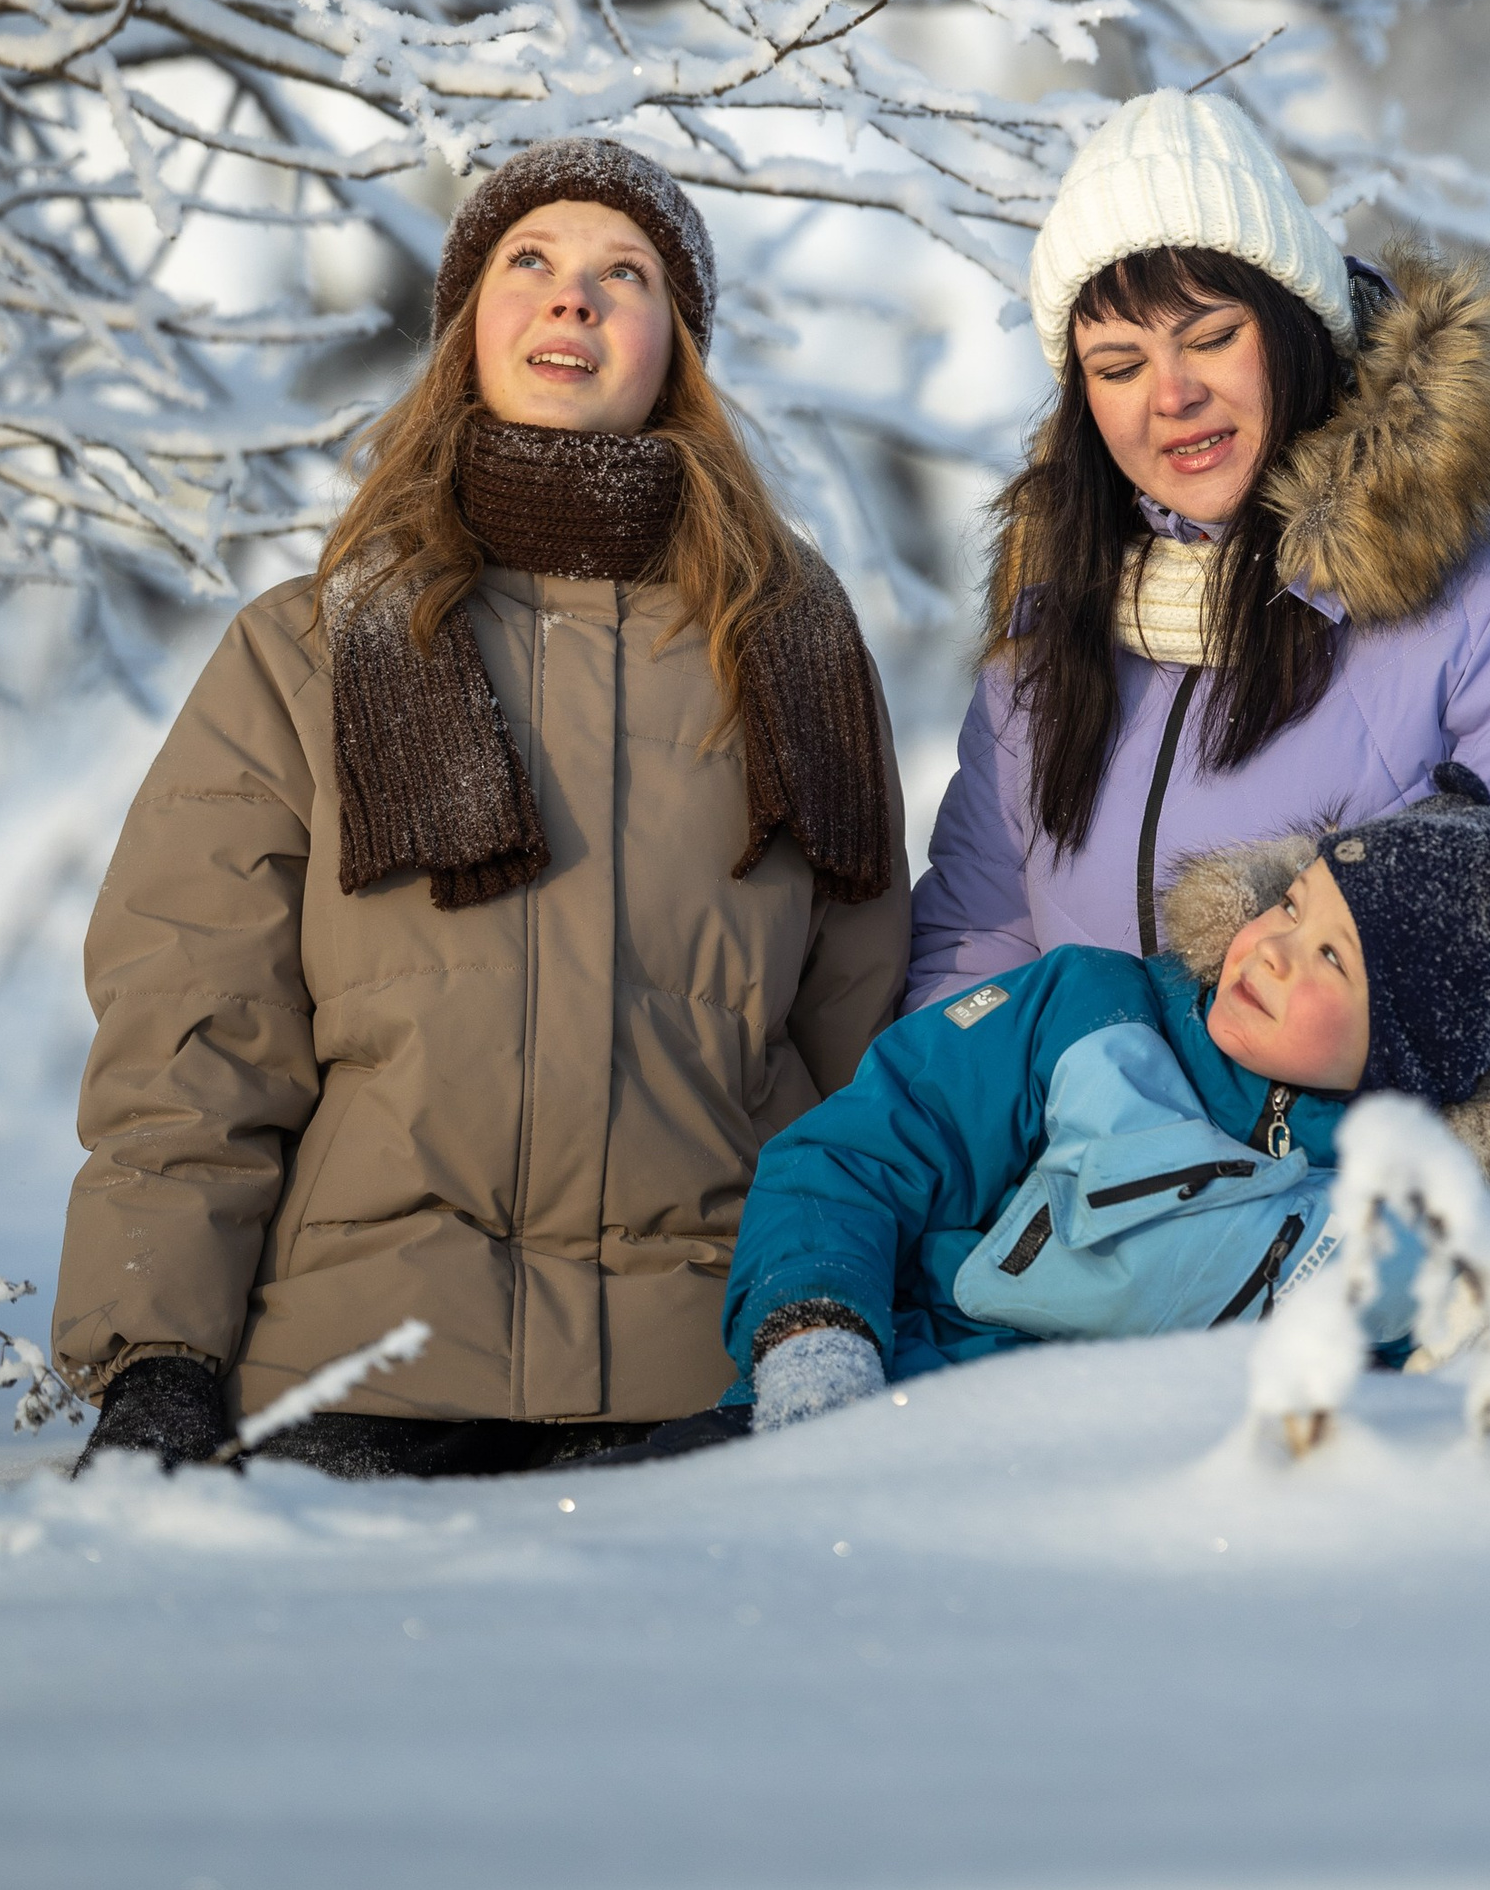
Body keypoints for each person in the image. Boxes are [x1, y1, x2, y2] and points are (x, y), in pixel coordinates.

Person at [55, 138, 911, 1479]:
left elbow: (868, 1061)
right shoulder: (308, 652)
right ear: (467, 331)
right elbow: (193, 1039)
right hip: (358, 1374)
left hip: (706, 1385)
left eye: (623, 273)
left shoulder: (790, 655)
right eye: (532, 263)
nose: (573, 299)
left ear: (675, 350)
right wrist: (156, 1356)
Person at [910, 91, 1490, 1365]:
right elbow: (976, 956)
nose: (1168, 395)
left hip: (1384, 1311)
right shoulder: (1047, 649)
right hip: (1087, 1308)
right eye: (1116, 366)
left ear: (1291, 325)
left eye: (1208, 337)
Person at [727, 766, 1490, 1426]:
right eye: (1293, 905)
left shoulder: (1414, 1223)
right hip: (912, 1406)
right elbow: (852, 1157)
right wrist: (816, 1333)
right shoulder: (1083, 1013)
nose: (1271, 946)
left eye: (1331, 958)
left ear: (1409, 1058)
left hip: (1172, 1525)